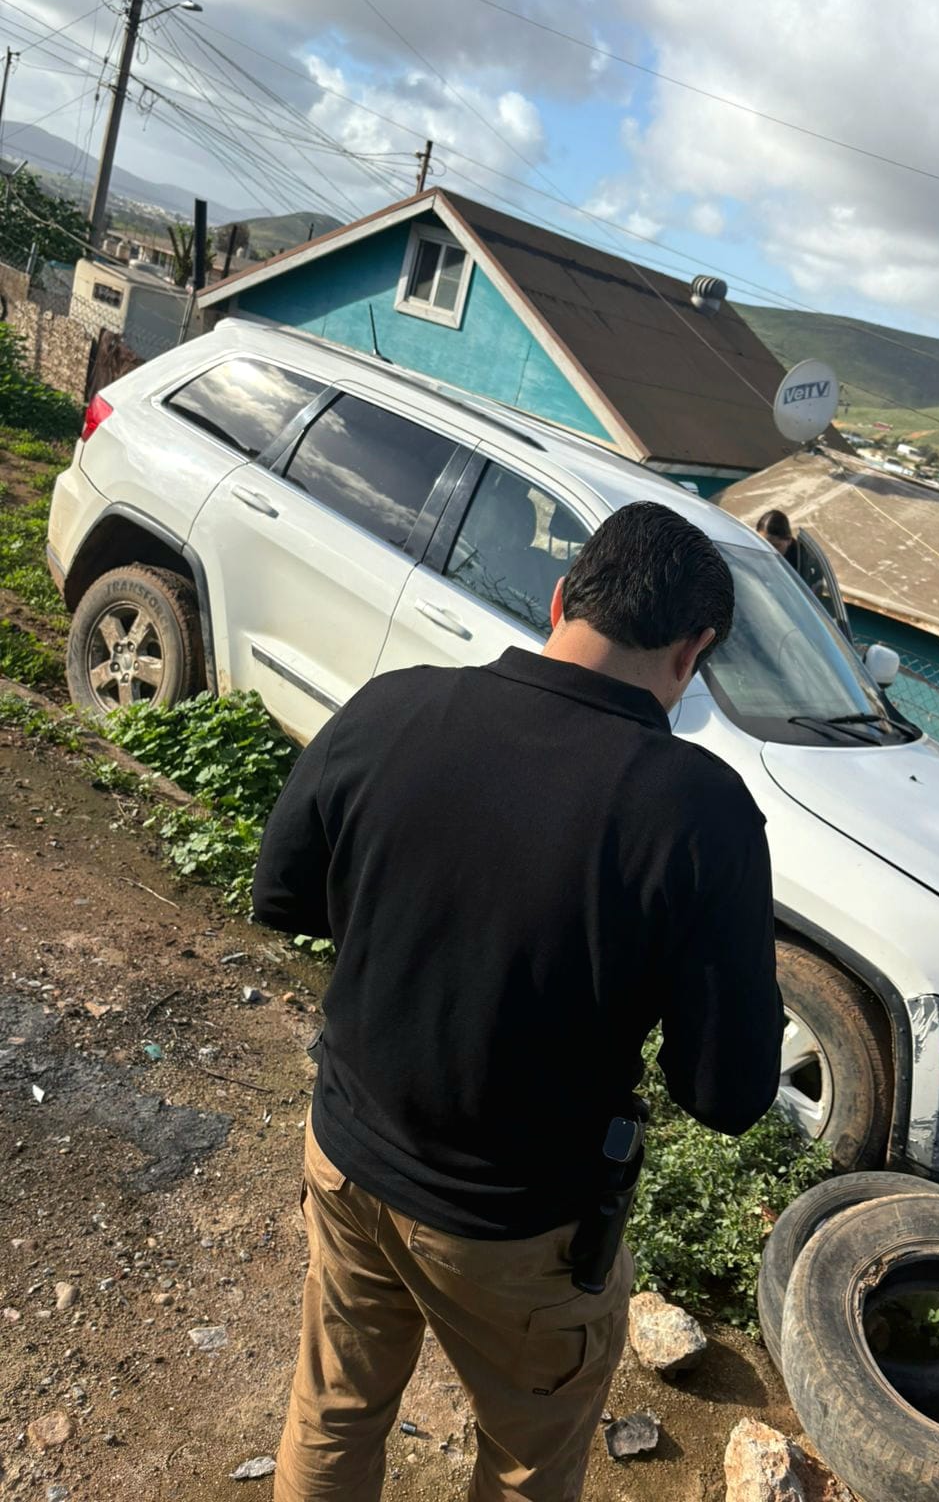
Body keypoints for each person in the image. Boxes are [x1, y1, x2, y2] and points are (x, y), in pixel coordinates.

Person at [253, 500, 784, 1502]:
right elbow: (726, 1092)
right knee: (527, 1464)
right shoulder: (699, 813)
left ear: (560, 599)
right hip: (516, 1230)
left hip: (350, 1153)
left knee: (334, 1409)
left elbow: (282, 894)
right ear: (694, 651)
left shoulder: (398, 704)